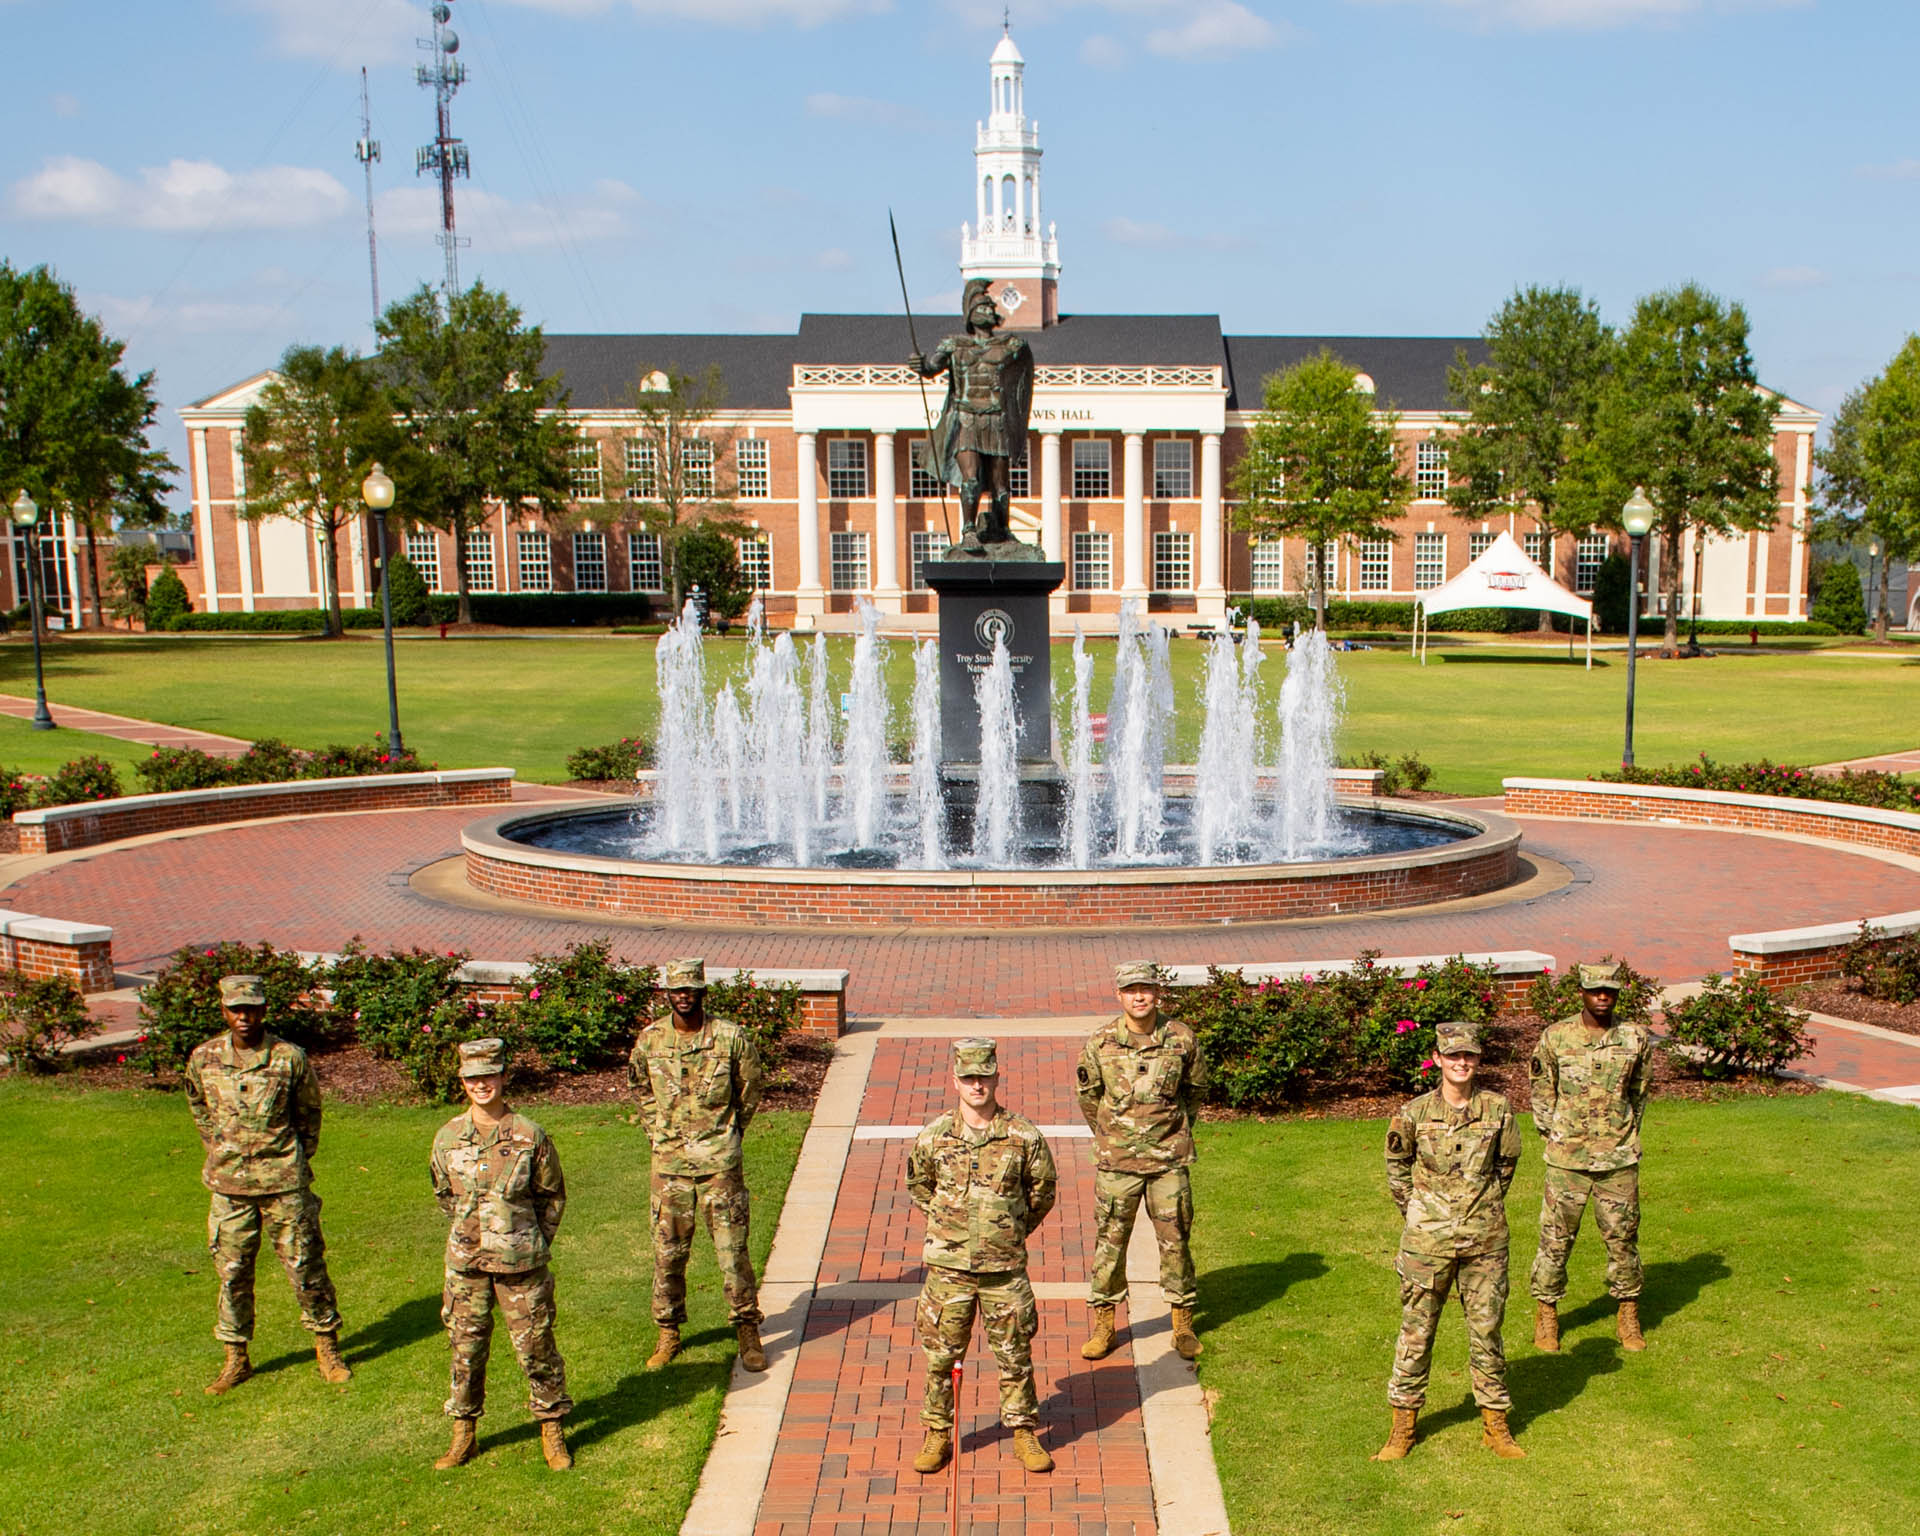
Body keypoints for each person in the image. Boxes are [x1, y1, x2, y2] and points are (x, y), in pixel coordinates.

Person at [184, 974, 350, 1396]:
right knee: (232, 1271)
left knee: (305, 1266)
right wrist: (220, 1146)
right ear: (224, 1010)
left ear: (263, 1010)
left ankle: (326, 1345)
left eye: (252, 1008)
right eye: (236, 1009)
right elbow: (199, 1106)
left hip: (284, 1182)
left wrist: (292, 1156)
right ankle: (235, 1357)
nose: (244, 1017)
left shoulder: (287, 1057)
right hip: (230, 1183)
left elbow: (309, 1115)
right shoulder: (204, 1059)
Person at [906, 1038, 1059, 1476]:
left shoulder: (1023, 1136)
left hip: (1004, 1272)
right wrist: (950, 1226)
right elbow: (919, 1185)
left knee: (1014, 1354)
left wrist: (1009, 1229)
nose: (977, 1085)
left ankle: (1024, 1431)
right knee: (940, 1356)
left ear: (996, 1078)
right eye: (969, 1077)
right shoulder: (935, 1136)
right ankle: (937, 1431)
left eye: (984, 1076)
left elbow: (1042, 1192)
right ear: (955, 1081)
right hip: (949, 1271)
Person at [1375, 1020, 1524, 1462]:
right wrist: (1423, 1212)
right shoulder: (1413, 1113)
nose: (1462, 1062)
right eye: (1453, 1055)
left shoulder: (1497, 1109)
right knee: (1416, 1334)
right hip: (1427, 1243)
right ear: (1437, 1060)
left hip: (1485, 1241)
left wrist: (1481, 1207)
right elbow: (1396, 1171)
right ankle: (1402, 1428)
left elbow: (1507, 1165)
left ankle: (1496, 1425)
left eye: (1470, 1055)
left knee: (1487, 1332)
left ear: (1478, 1060)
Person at [429, 1037, 573, 1471]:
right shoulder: (448, 1137)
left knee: (536, 1347)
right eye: (473, 1077)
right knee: (465, 1349)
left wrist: (528, 1239)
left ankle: (552, 1430)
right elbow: (443, 1194)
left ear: (504, 1076)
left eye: (489, 1075)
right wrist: (474, 1232)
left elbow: (552, 1197)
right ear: (463, 1081)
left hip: (521, 1265)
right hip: (467, 1264)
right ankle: (464, 1435)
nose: (481, 1084)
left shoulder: (530, 1135)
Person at [628, 958, 767, 1372]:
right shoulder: (651, 1040)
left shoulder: (729, 1038)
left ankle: (747, 1327)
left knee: (732, 1254)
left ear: (703, 992)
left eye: (691, 989)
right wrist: (657, 1131)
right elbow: (640, 1087)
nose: (684, 996)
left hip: (719, 1166)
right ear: (667, 994)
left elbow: (751, 1086)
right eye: (676, 990)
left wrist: (729, 1133)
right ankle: (668, 1331)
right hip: (670, 1166)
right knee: (668, 1254)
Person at [1076, 961, 1208, 1362]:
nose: (1139, 996)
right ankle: (1103, 1325)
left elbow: (1195, 1090)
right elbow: (1089, 1097)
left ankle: (1182, 1323)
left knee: (1176, 1242)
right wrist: (1116, 1133)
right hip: (1117, 1164)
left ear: (1157, 992)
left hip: (1168, 1161)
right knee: (1109, 1247)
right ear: (1119, 995)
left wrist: (1171, 1131)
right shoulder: (1101, 1043)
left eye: (1146, 988)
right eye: (1131, 989)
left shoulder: (1182, 1038)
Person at [1529, 961, 1657, 1353]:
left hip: (1617, 1159)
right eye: (1595, 990)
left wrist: (1621, 1131)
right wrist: (1558, 1133)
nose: (1603, 996)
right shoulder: (1556, 1038)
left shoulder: (1634, 1038)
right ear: (1582, 992)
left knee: (1623, 1239)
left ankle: (1628, 1311)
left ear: (1617, 993)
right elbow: (1541, 1090)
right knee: (1555, 1240)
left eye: (1610, 990)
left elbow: (1639, 1091)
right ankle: (1547, 1312)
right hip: (1567, 1161)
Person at [908, 278, 1036, 553]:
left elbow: (1024, 368)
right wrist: (921, 365)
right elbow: (932, 369)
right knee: (972, 478)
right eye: (982, 305)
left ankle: (1002, 530)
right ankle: (968, 531)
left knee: (1002, 486)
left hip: (995, 420)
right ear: (970, 313)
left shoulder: (1010, 345)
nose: (989, 309)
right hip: (967, 419)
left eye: (991, 306)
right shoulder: (954, 345)